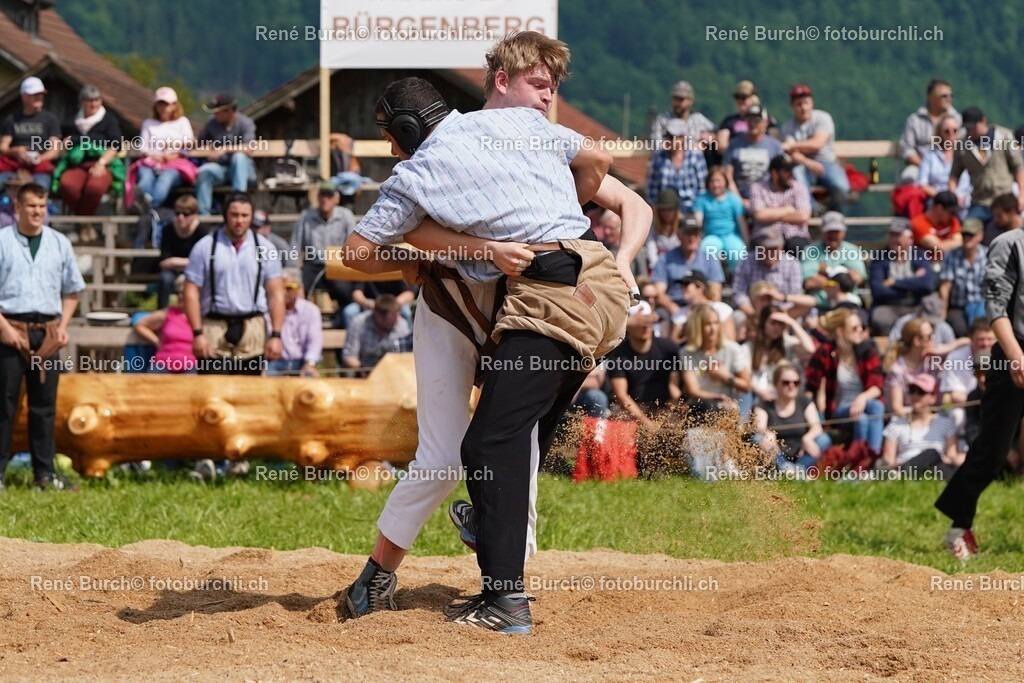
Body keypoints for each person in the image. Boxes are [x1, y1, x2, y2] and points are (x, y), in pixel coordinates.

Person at [341, 48, 649, 631]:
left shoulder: (469, 150)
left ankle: (503, 597)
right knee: (485, 449)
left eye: (389, 138)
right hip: (532, 303)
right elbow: (601, 165)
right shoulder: (507, 132)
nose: (549, 93)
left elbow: (359, 252)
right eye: (542, 83)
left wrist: (551, 217)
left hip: (547, 299)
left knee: (491, 448)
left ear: (404, 131)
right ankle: (436, 568)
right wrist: (504, 236)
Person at [935, 210, 1024, 558]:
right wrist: (1015, 356)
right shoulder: (1008, 244)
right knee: (992, 452)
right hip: (1012, 355)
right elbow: (995, 305)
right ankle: (959, 526)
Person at [0, 182, 85, 492]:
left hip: (47, 332)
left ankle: (44, 475)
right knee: (4, 404)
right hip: (10, 329)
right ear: (17, 208)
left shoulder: (59, 243)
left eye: (42, 205)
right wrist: (5, 329)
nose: (37, 211)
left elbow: (72, 291)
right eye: (31, 206)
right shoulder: (3, 241)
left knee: (44, 407)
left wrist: (62, 326)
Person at [183, 193, 284, 375]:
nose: (239, 221)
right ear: (225, 215)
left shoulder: (265, 248)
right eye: (234, 215)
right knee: (212, 394)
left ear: (251, 217)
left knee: (250, 394)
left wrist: (276, 335)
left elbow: (276, 294)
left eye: (245, 215)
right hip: (214, 328)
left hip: (252, 329)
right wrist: (197, 333)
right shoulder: (204, 247)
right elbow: (190, 291)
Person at [804, 307, 886, 454]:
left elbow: (877, 385)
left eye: (861, 326)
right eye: (855, 328)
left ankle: (862, 463)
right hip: (839, 409)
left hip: (864, 405)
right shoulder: (826, 351)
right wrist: (814, 418)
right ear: (840, 331)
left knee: (865, 415)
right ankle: (871, 458)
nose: (861, 330)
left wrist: (862, 397)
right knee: (875, 408)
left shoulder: (866, 350)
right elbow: (810, 385)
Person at [52, 85, 125, 216]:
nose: (93, 103)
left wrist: (102, 162)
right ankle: (85, 224)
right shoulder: (73, 120)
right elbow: (63, 140)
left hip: (102, 163)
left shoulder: (109, 120)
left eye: (96, 100)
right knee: (68, 185)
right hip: (76, 164)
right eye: (89, 100)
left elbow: (116, 145)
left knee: (94, 188)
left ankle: (84, 223)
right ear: (81, 102)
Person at [607, 309, 681, 429]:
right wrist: (645, 421)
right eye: (641, 321)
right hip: (634, 409)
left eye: (649, 321)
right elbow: (621, 395)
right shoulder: (618, 354)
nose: (646, 326)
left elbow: (675, 391)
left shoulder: (668, 348)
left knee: (674, 424)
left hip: (664, 408)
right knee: (617, 422)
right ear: (630, 326)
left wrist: (668, 411)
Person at [291, 181, 357, 314]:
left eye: (329, 196)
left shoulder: (346, 216)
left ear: (336, 199)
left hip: (338, 263)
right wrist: (295, 274)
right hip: (312, 264)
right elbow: (295, 247)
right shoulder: (306, 217)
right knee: (296, 290)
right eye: (322, 195)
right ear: (318, 198)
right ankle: (302, 319)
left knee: (347, 293)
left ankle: (343, 317)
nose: (325, 199)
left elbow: (354, 246)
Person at [950, 107, 1024, 225]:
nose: (970, 132)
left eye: (973, 127)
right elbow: (954, 175)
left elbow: (1019, 166)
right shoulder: (962, 145)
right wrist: (953, 195)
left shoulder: (1004, 136)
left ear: (983, 121)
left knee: (1012, 231)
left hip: (1004, 198)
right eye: (967, 128)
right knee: (969, 230)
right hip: (979, 200)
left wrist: (1021, 195)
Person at [780, 84, 849, 210]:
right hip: (802, 165)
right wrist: (808, 163)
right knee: (797, 175)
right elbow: (792, 153)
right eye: (799, 104)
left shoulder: (823, 118)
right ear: (792, 106)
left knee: (841, 187)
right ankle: (811, 210)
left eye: (806, 103)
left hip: (827, 163)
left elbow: (816, 144)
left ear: (811, 103)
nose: (803, 107)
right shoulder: (787, 127)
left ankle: (835, 214)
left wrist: (793, 145)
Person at [752, 362, 831, 471]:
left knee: (824, 439)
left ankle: (797, 470)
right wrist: (767, 433)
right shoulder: (764, 405)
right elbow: (759, 427)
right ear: (776, 384)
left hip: (802, 452)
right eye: (786, 382)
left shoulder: (804, 402)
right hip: (776, 454)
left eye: (796, 382)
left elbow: (817, 427)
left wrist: (807, 438)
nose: (791, 385)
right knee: (759, 438)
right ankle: (786, 469)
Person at [130, 87, 196, 212]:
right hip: (151, 163)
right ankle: (149, 208)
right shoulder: (148, 123)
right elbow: (143, 147)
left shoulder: (182, 122)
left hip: (174, 165)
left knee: (165, 180)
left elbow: (189, 144)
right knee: (145, 180)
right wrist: (155, 156)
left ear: (174, 105)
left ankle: (148, 208)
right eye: (160, 104)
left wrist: (172, 154)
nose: (162, 108)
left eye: (165, 104)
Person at [882, 373, 961, 477]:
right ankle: (904, 473)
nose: (915, 396)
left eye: (921, 392)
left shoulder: (946, 424)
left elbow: (951, 456)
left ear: (933, 397)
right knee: (932, 454)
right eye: (912, 391)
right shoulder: (895, 425)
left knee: (936, 459)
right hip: (903, 467)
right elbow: (888, 461)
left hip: (935, 469)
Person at [679, 304, 751, 414]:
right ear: (698, 327)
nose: (713, 329)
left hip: (728, 405)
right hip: (700, 405)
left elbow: (746, 386)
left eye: (716, 323)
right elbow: (693, 391)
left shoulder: (732, 349)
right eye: (708, 324)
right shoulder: (687, 353)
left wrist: (725, 376)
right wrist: (718, 397)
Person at [869, 219, 937, 336]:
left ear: (909, 238)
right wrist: (911, 286)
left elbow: (927, 284)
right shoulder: (879, 258)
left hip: (916, 305)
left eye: (898, 235)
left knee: (933, 307)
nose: (894, 240)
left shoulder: (919, 255)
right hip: (890, 305)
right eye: (892, 235)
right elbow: (877, 290)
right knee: (880, 317)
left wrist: (894, 282)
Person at [194, 94, 258, 216]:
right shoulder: (212, 123)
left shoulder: (246, 123)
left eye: (217, 112)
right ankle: (204, 217)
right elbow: (199, 142)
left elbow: (249, 148)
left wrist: (224, 149)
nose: (214, 114)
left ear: (229, 111)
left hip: (245, 172)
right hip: (222, 169)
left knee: (238, 158)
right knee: (204, 171)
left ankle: (237, 205)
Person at [732, 230, 815, 318]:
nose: (771, 253)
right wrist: (753, 314)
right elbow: (739, 294)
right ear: (759, 247)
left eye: (775, 248)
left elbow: (796, 294)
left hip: (783, 312)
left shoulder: (792, 264)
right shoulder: (746, 262)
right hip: (753, 312)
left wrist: (779, 299)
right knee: (738, 316)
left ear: (782, 247)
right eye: (767, 248)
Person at [651, 214, 724, 313]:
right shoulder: (665, 258)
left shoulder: (710, 259)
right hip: (673, 306)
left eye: (696, 233)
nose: (692, 237)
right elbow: (659, 292)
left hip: (702, 307)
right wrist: (675, 310)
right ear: (679, 235)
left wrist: (700, 310)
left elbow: (715, 293)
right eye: (688, 233)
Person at [746, 305, 816, 403]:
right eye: (773, 323)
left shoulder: (788, 344)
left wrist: (792, 322)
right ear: (763, 323)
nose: (777, 327)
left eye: (780, 324)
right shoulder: (748, 347)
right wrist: (761, 393)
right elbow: (746, 377)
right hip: (757, 397)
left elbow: (810, 349)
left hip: (783, 397)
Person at [0, 78, 62, 189]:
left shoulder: (50, 119)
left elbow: (55, 149)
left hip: (40, 169)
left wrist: (40, 158)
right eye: (35, 94)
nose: (39, 97)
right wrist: (15, 151)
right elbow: (3, 147)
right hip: (14, 167)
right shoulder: (12, 119)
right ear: (24, 96)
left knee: (40, 189)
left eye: (41, 94)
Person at [801, 211, 866, 309]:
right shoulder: (811, 250)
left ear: (844, 232)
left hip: (847, 306)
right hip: (818, 306)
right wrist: (843, 277)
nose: (833, 235)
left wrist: (826, 270)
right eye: (829, 231)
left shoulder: (852, 250)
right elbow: (809, 282)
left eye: (836, 231)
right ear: (822, 231)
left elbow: (857, 278)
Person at [133, 275, 197, 374]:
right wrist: (156, 340)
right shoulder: (167, 314)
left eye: (184, 293)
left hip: (188, 366)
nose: (180, 296)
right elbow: (140, 325)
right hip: (163, 364)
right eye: (178, 293)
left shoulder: (198, 318)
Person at [265, 270, 322, 377]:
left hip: (303, 361)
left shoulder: (311, 310)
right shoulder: (267, 311)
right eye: (281, 288)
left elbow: (314, 343)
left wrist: (309, 363)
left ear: (298, 288)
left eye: (289, 287)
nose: (284, 292)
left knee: (310, 379)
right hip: (275, 362)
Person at [749, 155, 812, 251]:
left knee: (798, 246)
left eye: (791, 170)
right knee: (764, 248)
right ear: (774, 173)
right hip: (765, 234)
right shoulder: (758, 188)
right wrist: (788, 210)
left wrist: (772, 215)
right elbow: (760, 215)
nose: (791, 174)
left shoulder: (799, 187)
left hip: (794, 234)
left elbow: (803, 216)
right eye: (786, 171)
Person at [723, 104, 784, 202]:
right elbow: (727, 175)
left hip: (768, 199)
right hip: (738, 197)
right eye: (749, 119)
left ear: (766, 122)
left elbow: (780, 177)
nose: (752, 123)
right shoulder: (734, 145)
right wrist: (739, 200)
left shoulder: (775, 146)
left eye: (757, 120)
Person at [899, 79, 959, 180]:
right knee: (908, 177)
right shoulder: (914, 120)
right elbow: (907, 149)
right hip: (920, 165)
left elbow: (963, 146)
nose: (949, 99)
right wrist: (925, 166)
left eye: (951, 96)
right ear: (930, 97)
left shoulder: (957, 120)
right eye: (944, 96)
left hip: (952, 165)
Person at [938, 217, 987, 338]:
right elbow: (945, 288)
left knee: (982, 327)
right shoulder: (952, 255)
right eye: (964, 234)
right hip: (958, 306)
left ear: (980, 236)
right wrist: (942, 315)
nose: (966, 238)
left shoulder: (989, 255)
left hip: (982, 305)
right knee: (959, 327)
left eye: (971, 235)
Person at [646, 118, 707, 213]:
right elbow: (652, 189)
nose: (668, 140)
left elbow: (703, 188)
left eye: (672, 136)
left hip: (692, 210)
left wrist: (698, 211)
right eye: (666, 136)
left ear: (682, 138)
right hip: (665, 211)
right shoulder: (659, 156)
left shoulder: (696, 156)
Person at [692, 166, 746, 271]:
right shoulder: (702, 200)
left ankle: (737, 280)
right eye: (712, 181)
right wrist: (697, 240)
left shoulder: (733, 199)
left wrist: (746, 243)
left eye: (719, 181)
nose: (715, 184)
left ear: (725, 182)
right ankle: (711, 282)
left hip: (731, 236)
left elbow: (742, 223)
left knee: (739, 252)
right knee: (706, 251)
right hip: (711, 236)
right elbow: (697, 222)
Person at [157, 195, 206, 309]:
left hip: (195, 272)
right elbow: (164, 260)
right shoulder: (168, 229)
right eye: (177, 213)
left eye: (186, 214)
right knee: (164, 279)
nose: (180, 217)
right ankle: (162, 313)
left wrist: (175, 261)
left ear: (195, 214)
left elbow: (203, 262)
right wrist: (188, 263)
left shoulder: (201, 230)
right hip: (173, 271)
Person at [883, 317, 938, 418]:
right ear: (917, 341)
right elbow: (897, 408)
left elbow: (964, 342)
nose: (934, 339)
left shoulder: (932, 361)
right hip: (905, 421)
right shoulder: (897, 370)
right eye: (929, 336)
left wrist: (941, 351)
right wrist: (923, 416)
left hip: (930, 419)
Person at [915, 113, 971, 205]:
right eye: (946, 131)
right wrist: (942, 197)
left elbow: (969, 183)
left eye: (955, 130)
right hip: (937, 203)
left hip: (962, 203)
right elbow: (922, 183)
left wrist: (957, 198)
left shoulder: (965, 154)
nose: (951, 134)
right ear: (939, 133)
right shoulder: (930, 155)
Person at [669, 269, 736, 344]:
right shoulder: (680, 315)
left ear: (699, 287)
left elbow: (731, 342)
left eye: (686, 284)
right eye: (681, 285)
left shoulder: (721, 309)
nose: (682, 288)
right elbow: (674, 345)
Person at [649, 80, 715, 151]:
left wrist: (710, 137)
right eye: (675, 99)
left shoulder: (698, 119)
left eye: (681, 99)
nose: (677, 103)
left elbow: (716, 133)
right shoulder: (662, 119)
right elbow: (656, 146)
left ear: (691, 101)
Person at [910, 190, 961, 255]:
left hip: (949, 261)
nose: (953, 215)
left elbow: (960, 241)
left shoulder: (952, 220)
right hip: (928, 262)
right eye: (951, 212)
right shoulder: (918, 223)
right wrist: (955, 243)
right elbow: (941, 248)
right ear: (939, 208)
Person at [644, 188, 680, 270]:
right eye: (663, 210)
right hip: (658, 266)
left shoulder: (682, 225)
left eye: (670, 209)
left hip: (679, 265)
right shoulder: (652, 227)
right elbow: (651, 251)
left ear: (675, 210)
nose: (667, 213)